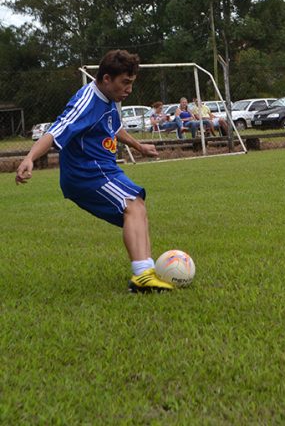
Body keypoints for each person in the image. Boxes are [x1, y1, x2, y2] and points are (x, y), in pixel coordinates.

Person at [15, 50, 173, 293]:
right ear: (107, 79)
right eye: (125, 83)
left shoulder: (109, 99)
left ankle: (146, 273)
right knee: (133, 204)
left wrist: (138, 145)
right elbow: (56, 131)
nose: (129, 89)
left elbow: (114, 126)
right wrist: (30, 158)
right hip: (88, 173)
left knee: (137, 209)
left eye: (132, 83)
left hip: (105, 169)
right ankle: (142, 275)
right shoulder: (87, 102)